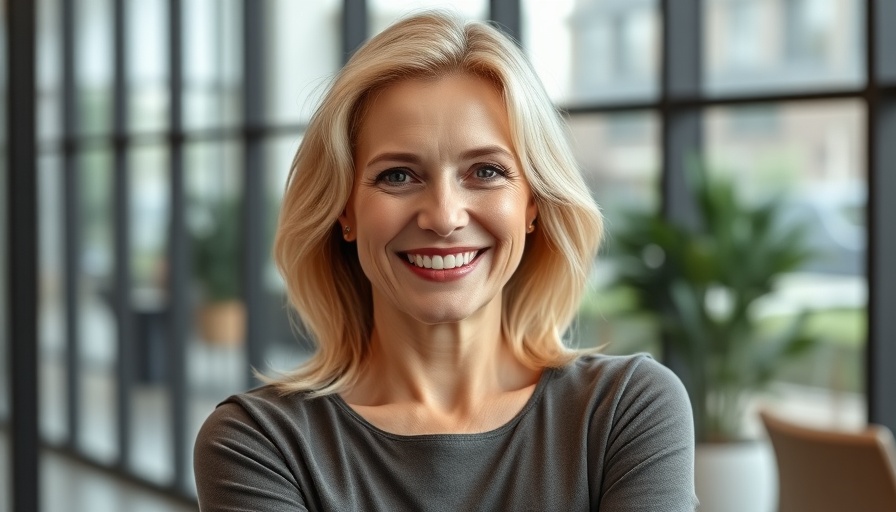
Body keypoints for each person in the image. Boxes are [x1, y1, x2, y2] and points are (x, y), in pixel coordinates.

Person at [194, 11, 697, 511]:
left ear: (532, 204)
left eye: (485, 171)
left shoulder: (625, 410)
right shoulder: (258, 444)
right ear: (345, 209)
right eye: (397, 176)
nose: (443, 216)